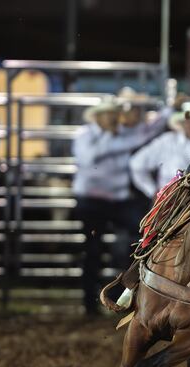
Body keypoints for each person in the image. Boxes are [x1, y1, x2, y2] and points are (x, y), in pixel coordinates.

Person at [72, 94, 172, 314]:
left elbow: (146, 132)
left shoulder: (122, 134)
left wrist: (168, 110)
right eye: (109, 113)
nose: (113, 117)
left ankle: (121, 295)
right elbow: (88, 157)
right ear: (98, 116)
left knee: (140, 237)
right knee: (93, 249)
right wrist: (119, 140)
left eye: (114, 113)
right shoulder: (85, 135)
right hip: (91, 201)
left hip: (117, 200)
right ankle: (90, 303)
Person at [129, 105, 190, 199]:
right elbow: (136, 163)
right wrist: (152, 191)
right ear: (182, 124)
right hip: (170, 199)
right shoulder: (167, 141)